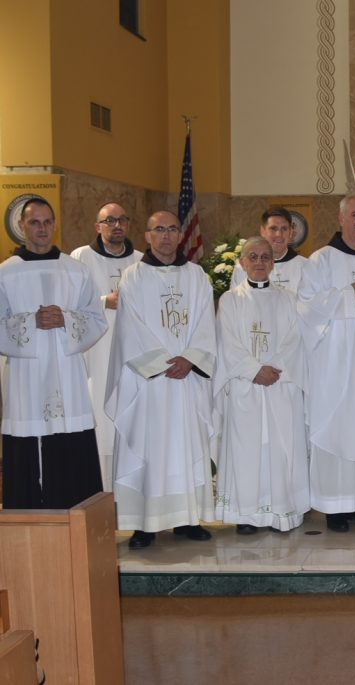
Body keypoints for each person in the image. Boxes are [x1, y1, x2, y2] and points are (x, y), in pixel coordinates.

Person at [106, 210, 217, 548]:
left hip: (188, 380)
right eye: (159, 230)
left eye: (172, 229)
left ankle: (187, 519)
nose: (166, 236)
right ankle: (146, 524)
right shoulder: (133, 277)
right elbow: (130, 328)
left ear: (181, 235)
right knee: (149, 448)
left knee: (187, 445)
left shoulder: (197, 276)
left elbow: (206, 323)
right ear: (147, 236)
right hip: (150, 383)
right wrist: (162, 363)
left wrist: (190, 358)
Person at [0, 198, 107, 509]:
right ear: (22, 226)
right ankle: (29, 520)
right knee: (26, 445)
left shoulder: (76, 270)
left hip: (67, 373)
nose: (42, 229)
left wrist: (67, 319)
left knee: (70, 444)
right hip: (25, 376)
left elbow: (96, 318)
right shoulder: (6, 273)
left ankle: (76, 518)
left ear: (55, 225)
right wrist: (29, 321)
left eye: (47, 222)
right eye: (35, 222)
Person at [297, 194, 355, 532]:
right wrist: (346, 296)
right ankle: (335, 506)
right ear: (341, 218)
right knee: (337, 425)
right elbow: (304, 307)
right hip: (334, 364)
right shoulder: (321, 260)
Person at [214, 236, 309, 533]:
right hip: (245, 387)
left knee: (279, 448)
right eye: (253, 257)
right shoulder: (230, 301)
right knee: (247, 450)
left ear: (273, 263)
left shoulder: (288, 299)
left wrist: (272, 369)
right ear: (242, 263)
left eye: (265, 257)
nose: (259, 262)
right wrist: (254, 370)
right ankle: (247, 515)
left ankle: (281, 510)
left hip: (280, 385)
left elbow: (295, 340)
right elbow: (226, 342)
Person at [70, 202, 143, 490]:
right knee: (101, 418)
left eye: (122, 220)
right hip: (97, 353)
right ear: (97, 226)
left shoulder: (141, 261)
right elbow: (70, 304)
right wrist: (104, 302)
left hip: (132, 353)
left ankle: (131, 489)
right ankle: (100, 492)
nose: (117, 225)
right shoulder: (81, 258)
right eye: (110, 220)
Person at [230, 207, 307, 293]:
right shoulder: (244, 267)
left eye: (284, 229)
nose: (279, 234)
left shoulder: (305, 267)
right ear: (262, 231)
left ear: (290, 232)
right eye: (273, 228)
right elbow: (235, 299)